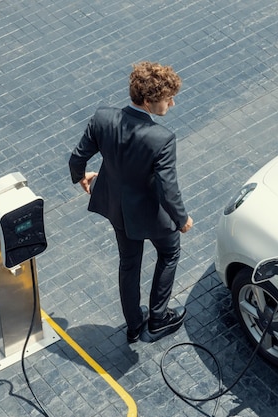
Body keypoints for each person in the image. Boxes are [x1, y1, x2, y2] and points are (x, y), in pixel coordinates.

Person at [69, 61, 193, 343]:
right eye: (167, 99)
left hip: (118, 210)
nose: (171, 104)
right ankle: (159, 317)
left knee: (128, 264)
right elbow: (167, 187)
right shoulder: (161, 138)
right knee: (170, 254)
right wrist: (181, 219)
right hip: (153, 216)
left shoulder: (102, 119)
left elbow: (77, 159)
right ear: (149, 101)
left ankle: (134, 325)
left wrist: (82, 178)